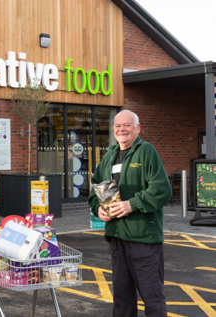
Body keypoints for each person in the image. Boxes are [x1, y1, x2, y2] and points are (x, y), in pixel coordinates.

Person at [88, 110, 171, 317]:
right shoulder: (109, 156)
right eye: (118, 126)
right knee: (122, 301)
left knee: (152, 299)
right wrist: (98, 208)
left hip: (143, 239)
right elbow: (95, 189)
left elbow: (162, 189)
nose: (121, 129)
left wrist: (131, 205)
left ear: (137, 128)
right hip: (117, 238)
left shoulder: (146, 151)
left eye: (127, 125)